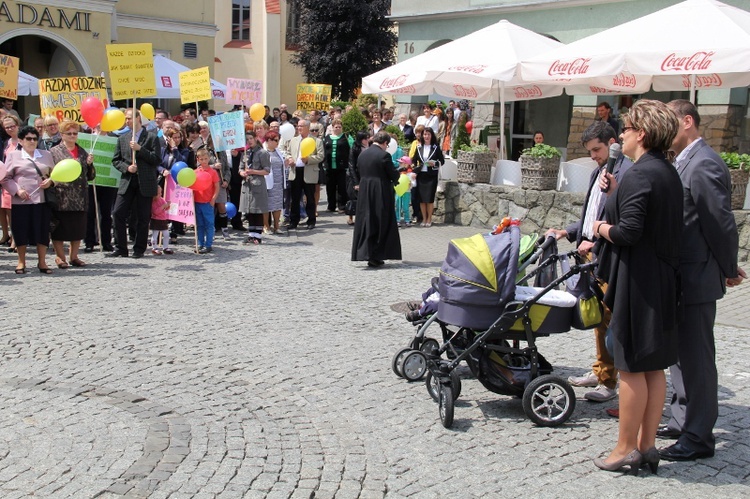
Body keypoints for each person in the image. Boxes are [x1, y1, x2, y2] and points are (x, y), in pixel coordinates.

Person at [591, 99, 683, 475]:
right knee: (653, 367)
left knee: (631, 367)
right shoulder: (666, 171)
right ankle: (647, 446)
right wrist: (616, 193)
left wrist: (599, 228)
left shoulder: (641, 173)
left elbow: (629, 231)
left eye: (626, 129)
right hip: (662, 277)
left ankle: (626, 447)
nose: (622, 135)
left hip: (639, 280)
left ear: (641, 134)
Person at [657, 100, 746, 462]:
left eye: (669, 121)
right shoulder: (681, 161)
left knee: (696, 359)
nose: (663, 128)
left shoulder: (705, 162)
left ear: (688, 122)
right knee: (679, 357)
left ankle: (698, 436)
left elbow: (719, 223)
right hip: (681, 275)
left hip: (697, 276)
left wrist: (728, 267)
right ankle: (682, 419)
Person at [548, 121, 632, 403]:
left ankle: (610, 382)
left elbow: (622, 221)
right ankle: (602, 370)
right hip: (590, 256)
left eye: (597, 149)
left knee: (611, 319)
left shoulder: (625, 172)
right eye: (591, 151)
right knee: (598, 319)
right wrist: (568, 231)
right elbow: (593, 214)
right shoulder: (600, 171)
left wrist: (595, 242)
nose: (593, 155)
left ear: (612, 143)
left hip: (607, 256)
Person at [108, 109, 162, 259]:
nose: (127, 121)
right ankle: (121, 247)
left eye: (129, 118)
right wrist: (126, 168)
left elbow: (156, 159)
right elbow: (116, 160)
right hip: (127, 181)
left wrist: (140, 149)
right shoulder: (122, 138)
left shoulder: (151, 137)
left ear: (138, 118)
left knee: (143, 217)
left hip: (145, 182)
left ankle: (139, 248)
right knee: (118, 213)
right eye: (125, 119)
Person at [1, 126, 55, 273]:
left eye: (35, 138)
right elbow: (5, 178)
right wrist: (17, 190)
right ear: (21, 140)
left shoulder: (46, 155)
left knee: (42, 231)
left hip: (42, 200)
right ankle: (21, 262)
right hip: (21, 200)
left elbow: (55, 174)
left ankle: (42, 262)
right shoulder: (13, 156)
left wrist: (50, 181)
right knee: (20, 230)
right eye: (28, 138)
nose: (32, 141)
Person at [49, 120, 95, 268]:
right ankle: (60, 257)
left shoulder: (82, 151)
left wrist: (89, 164)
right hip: (61, 195)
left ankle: (74, 256)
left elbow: (90, 176)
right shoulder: (54, 152)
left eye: (75, 133)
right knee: (59, 228)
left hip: (80, 196)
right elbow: (50, 173)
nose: (72, 136)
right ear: (62, 134)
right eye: (69, 133)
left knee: (78, 228)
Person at [351, 131, 402, 268]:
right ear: (385, 143)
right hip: (380, 191)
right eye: (387, 145)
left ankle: (365, 253)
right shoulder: (384, 155)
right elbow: (393, 175)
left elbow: (357, 170)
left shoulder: (363, 154)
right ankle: (377, 255)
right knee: (381, 221)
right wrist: (401, 171)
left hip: (365, 191)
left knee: (366, 221)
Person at [284, 119, 323, 230]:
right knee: (295, 198)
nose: (299, 128)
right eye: (298, 126)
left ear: (307, 127)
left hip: (309, 172)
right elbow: (287, 152)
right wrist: (290, 158)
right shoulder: (294, 140)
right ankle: (294, 221)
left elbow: (320, 156)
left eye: (301, 126)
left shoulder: (316, 141)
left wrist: (308, 159)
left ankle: (311, 220)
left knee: (310, 198)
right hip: (295, 171)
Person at [239, 131, 270, 244]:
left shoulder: (262, 153)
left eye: (251, 138)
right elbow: (240, 168)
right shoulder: (245, 153)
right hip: (247, 185)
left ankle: (258, 236)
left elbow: (267, 171)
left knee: (258, 210)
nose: (249, 141)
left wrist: (253, 171)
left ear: (256, 138)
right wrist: (242, 173)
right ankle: (251, 234)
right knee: (249, 211)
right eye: (247, 139)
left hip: (258, 184)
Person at [411, 127, 443, 227]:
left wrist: (435, 164)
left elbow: (442, 161)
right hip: (421, 175)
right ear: (422, 136)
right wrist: (414, 168)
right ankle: (424, 218)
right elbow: (414, 160)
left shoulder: (435, 147)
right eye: (425, 134)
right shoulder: (419, 147)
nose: (426, 136)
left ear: (431, 135)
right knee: (421, 199)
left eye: (428, 134)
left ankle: (429, 218)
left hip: (431, 176)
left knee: (429, 199)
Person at [193, 148, 220, 253]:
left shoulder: (213, 172)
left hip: (207, 202)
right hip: (197, 201)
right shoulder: (195, 172)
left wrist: (213, 199)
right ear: (198, 159)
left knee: (209, 224)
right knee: (200, 224)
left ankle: (208, 244)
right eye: (201, 159)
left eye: (206, 159)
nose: (204, 161)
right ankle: (200, 243)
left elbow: (217, 187)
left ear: (209, 158)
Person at [324, 118, 350, 213]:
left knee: (341, 187)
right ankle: (331, 206)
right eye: (336, 127)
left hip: (341, 167)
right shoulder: (327, 137)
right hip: (329, 166)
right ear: (332, 127)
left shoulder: (346, 137)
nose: (338, 128)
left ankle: (342, 206)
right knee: (330, 187)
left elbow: (351, 149)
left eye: (339, 127)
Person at [264, 131, 285, 234]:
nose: (277, 142)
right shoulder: (263, 152)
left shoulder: (278, 151)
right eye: (276, 140)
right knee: (267, 205)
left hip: (278, 182)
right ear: (269, 140)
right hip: (267, 182)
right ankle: (266, 226)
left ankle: (276, 225)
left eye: (278, 140)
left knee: (277, 204)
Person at [346, 131, 369, 226]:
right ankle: (351, 217)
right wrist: (356, 182)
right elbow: (351, 166)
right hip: (355, 175)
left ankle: (363, 217)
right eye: (365, 138)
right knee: (353, 196)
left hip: (366, 174)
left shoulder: (370, 147)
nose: (367, 140)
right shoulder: (354, 148)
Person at [150, 185, 172, 255]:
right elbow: (155, 212)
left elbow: (165, 208)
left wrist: (168, 205)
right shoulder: (152, 202)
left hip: (163, 219)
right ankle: (154, 247)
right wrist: (163, 206)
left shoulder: (161, 199)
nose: (160, 195)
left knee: (166, 234)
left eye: (161, 193)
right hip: (156, 219)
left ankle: (165, 247)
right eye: (159, 193)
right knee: (155, 234)